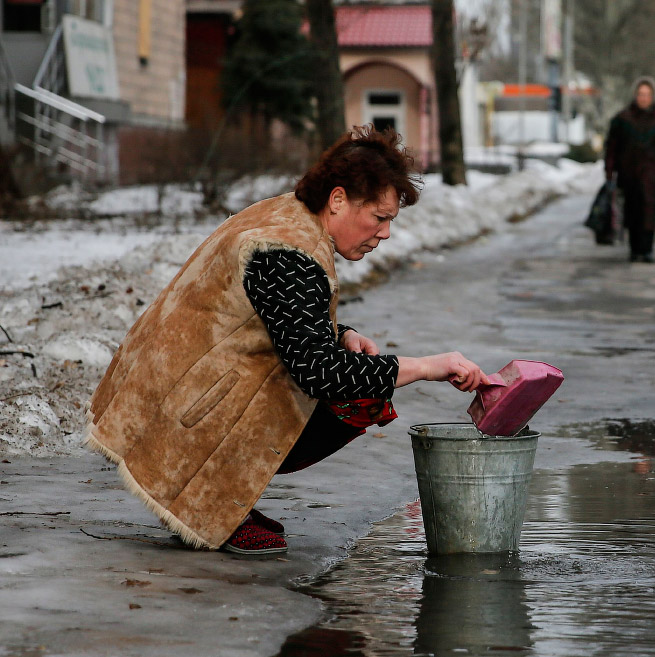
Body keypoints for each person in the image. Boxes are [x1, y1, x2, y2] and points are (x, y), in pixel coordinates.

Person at [85, 126, 490, 555]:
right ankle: (206, 498)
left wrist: (341, 333)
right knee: (355, 394)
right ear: (338, 200)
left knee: (348, 373)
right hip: (183, 406)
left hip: (169, 384)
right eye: (380, 217)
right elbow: (320, 373)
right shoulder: (289, 253)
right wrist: (427, 367)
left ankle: (218, 492)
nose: (385, 233)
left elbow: (262, 315)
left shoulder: (285, 216)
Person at [604, 76, 655, 263]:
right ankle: (634, 249)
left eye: (647, 95)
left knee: (650, 210)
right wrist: (609, 171)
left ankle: (646, 249)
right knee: (632, 211)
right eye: (641, 94)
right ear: (635, 95)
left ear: (653, 96)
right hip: (628, 174)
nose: (644, 98)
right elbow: (611, 148)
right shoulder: (622, 119)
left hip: (653, 175)